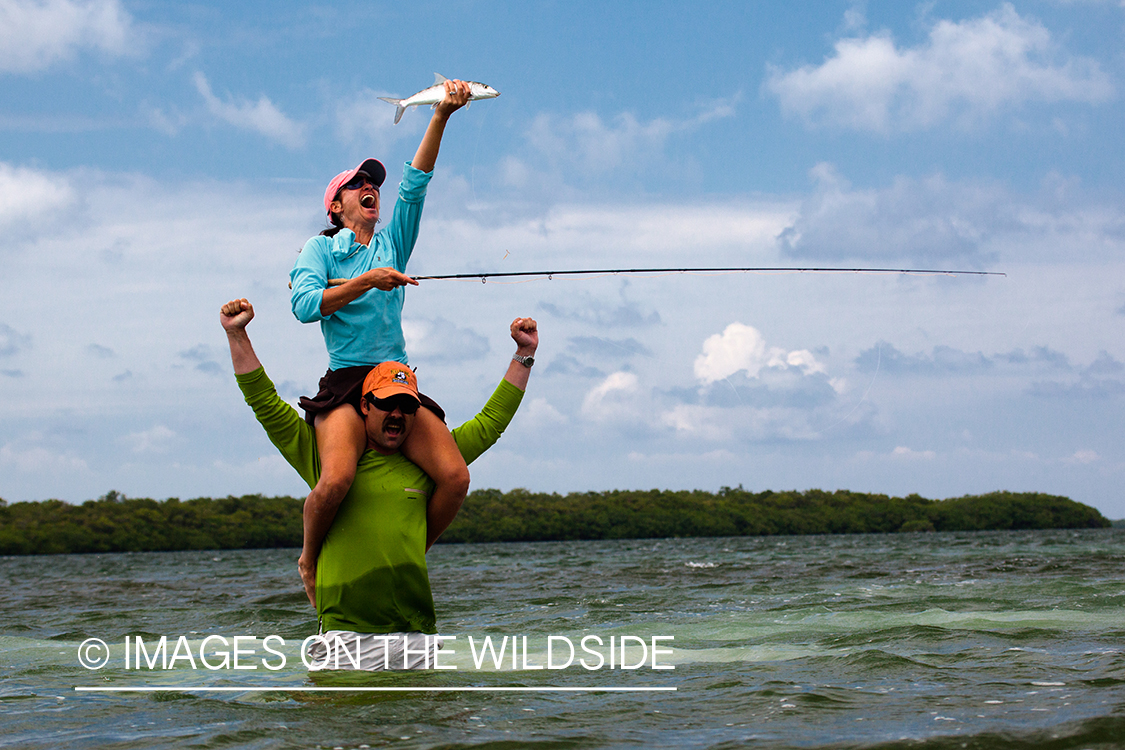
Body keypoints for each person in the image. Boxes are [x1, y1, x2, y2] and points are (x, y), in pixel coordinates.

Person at [220, 297, 538, 669]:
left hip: (417, 634)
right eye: (387, 404)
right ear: (365, 406)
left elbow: (491, 423)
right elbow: (266, 404)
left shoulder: (430, 468)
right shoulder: (324, 459)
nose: (398, 413)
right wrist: (237, 334)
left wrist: (524, 354)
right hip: (346, 636)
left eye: (407, 406)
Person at [288, 79, 473, 604]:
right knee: (336, 480)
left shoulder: (394, 239)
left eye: (374, 183)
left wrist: (441, 115)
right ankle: (308, 559)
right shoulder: (318, 250)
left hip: (395, 379)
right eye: (358, 184)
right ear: (336, 206)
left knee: (455, 478)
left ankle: (415, 547)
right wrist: (367, 281)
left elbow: (416, 181)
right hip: (347, 379)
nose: (372, 187)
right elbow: (304, 307)